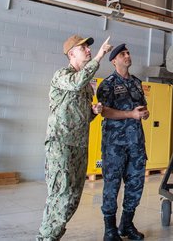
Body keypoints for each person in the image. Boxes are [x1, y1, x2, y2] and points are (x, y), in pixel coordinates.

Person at [37, 34, 112, 241]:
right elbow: (77, 83)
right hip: (60, 144)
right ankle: (45, 238)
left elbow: (81, 117)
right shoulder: (63, 75)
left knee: (72, 198)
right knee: (60, 196)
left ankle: (53, 236)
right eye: (84, 48)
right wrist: (99, 56)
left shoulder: (87, 86)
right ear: (71, 54)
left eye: (89, 48)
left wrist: (94, 112)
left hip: (79, 145)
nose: (88, 50)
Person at [96, 44, 150, 241]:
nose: (127, 55)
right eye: (122, 54)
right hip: (114, 145)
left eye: (128, 52)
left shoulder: (136, 83)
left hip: (136, 142)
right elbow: (105, 111)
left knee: (136, 184)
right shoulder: (107, 84)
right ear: (114, 61)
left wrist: (144, 114)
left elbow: (142, 108)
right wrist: (130, 114)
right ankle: (109, 230)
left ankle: (126, 225)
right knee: (111, 185)